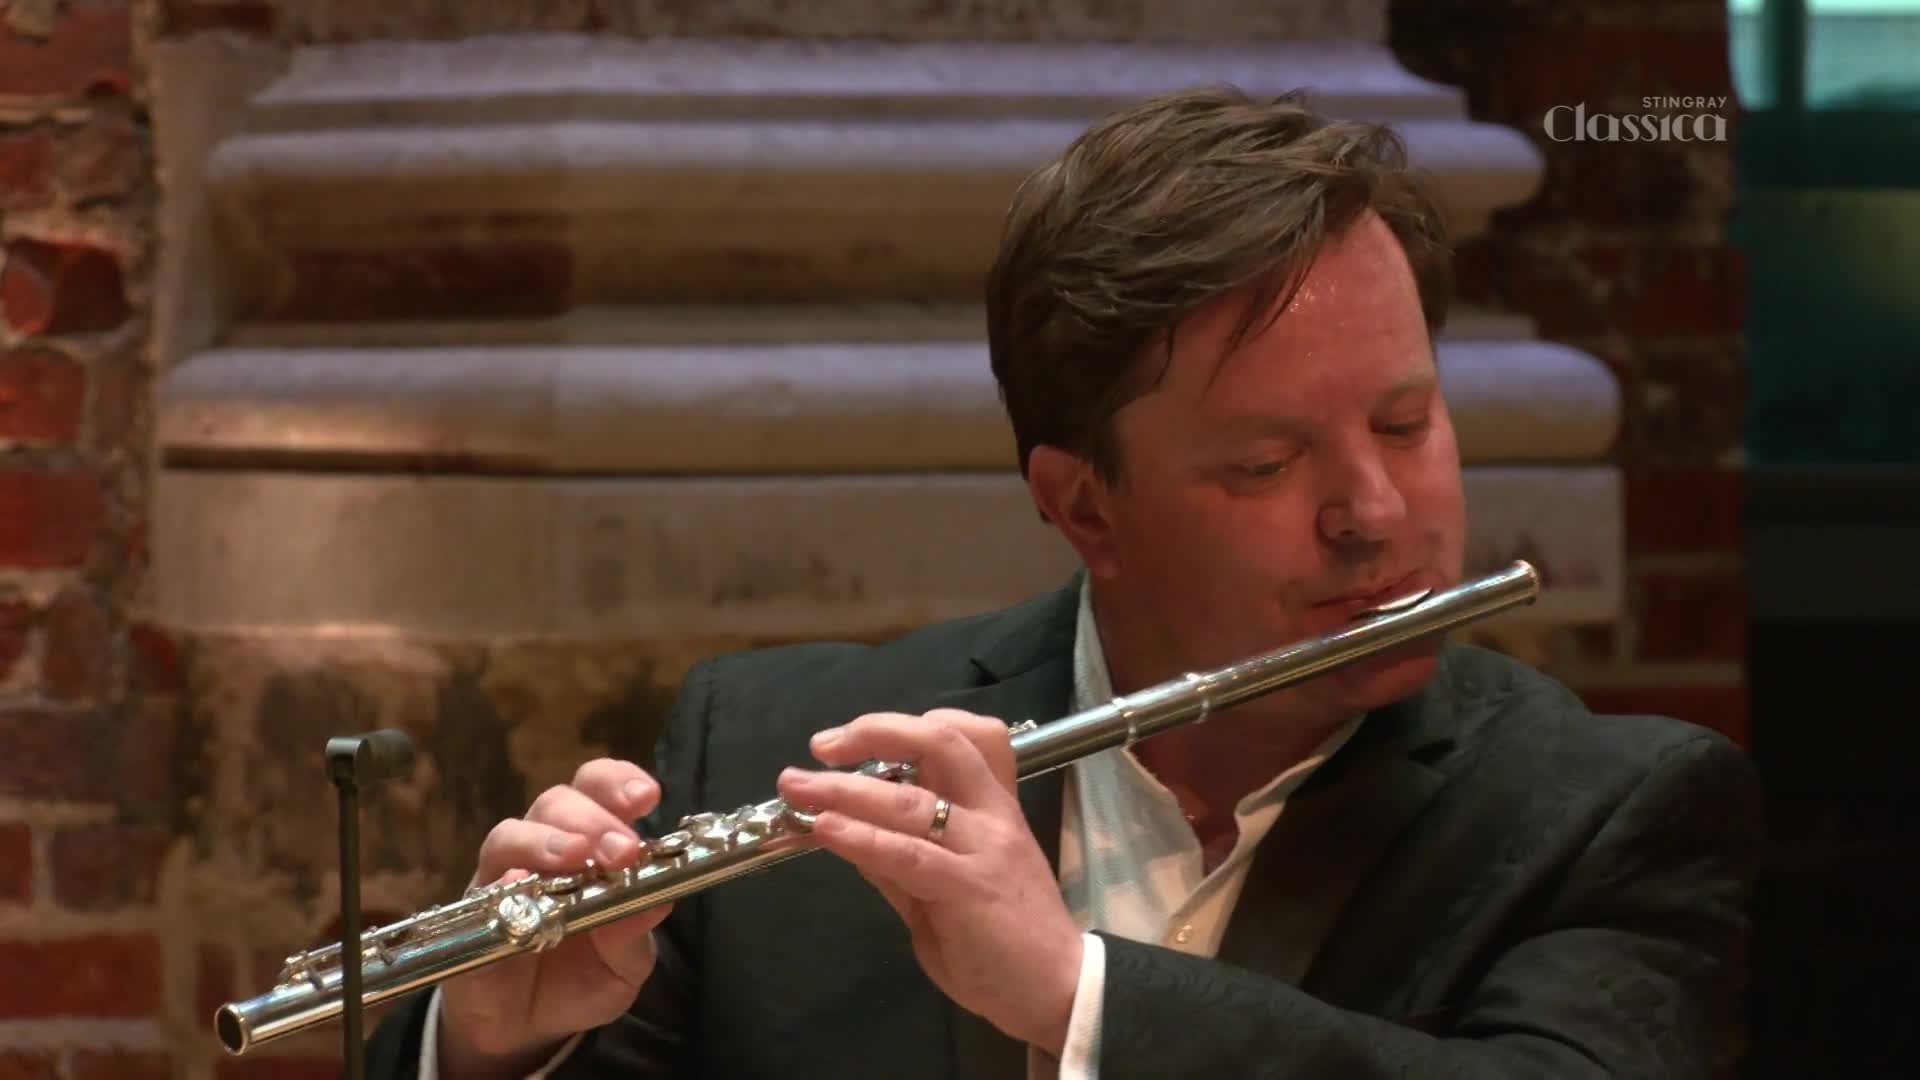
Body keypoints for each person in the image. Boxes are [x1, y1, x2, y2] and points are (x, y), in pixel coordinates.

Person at [366, 86, 1763, 1079]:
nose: (1377, 513)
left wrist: (1077, 997)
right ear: (1083, 505)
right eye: (1270, 462)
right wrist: (494, 1045)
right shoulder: (772, 740)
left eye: (1407, 423)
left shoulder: (1606, 817)